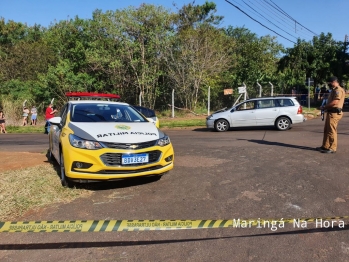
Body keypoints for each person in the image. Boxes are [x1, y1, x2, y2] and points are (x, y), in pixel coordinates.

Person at [316, 76, 345, 153]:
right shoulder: (333, 90)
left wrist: (324, 107)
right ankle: (325, 146)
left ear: (334, 82)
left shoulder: (338, 90)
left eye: (330, 83)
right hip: (330, 112)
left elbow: (335, 102)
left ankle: (332, 148)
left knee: (332, 131)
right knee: (327, 130)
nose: (329, 84)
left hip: (335, 113)